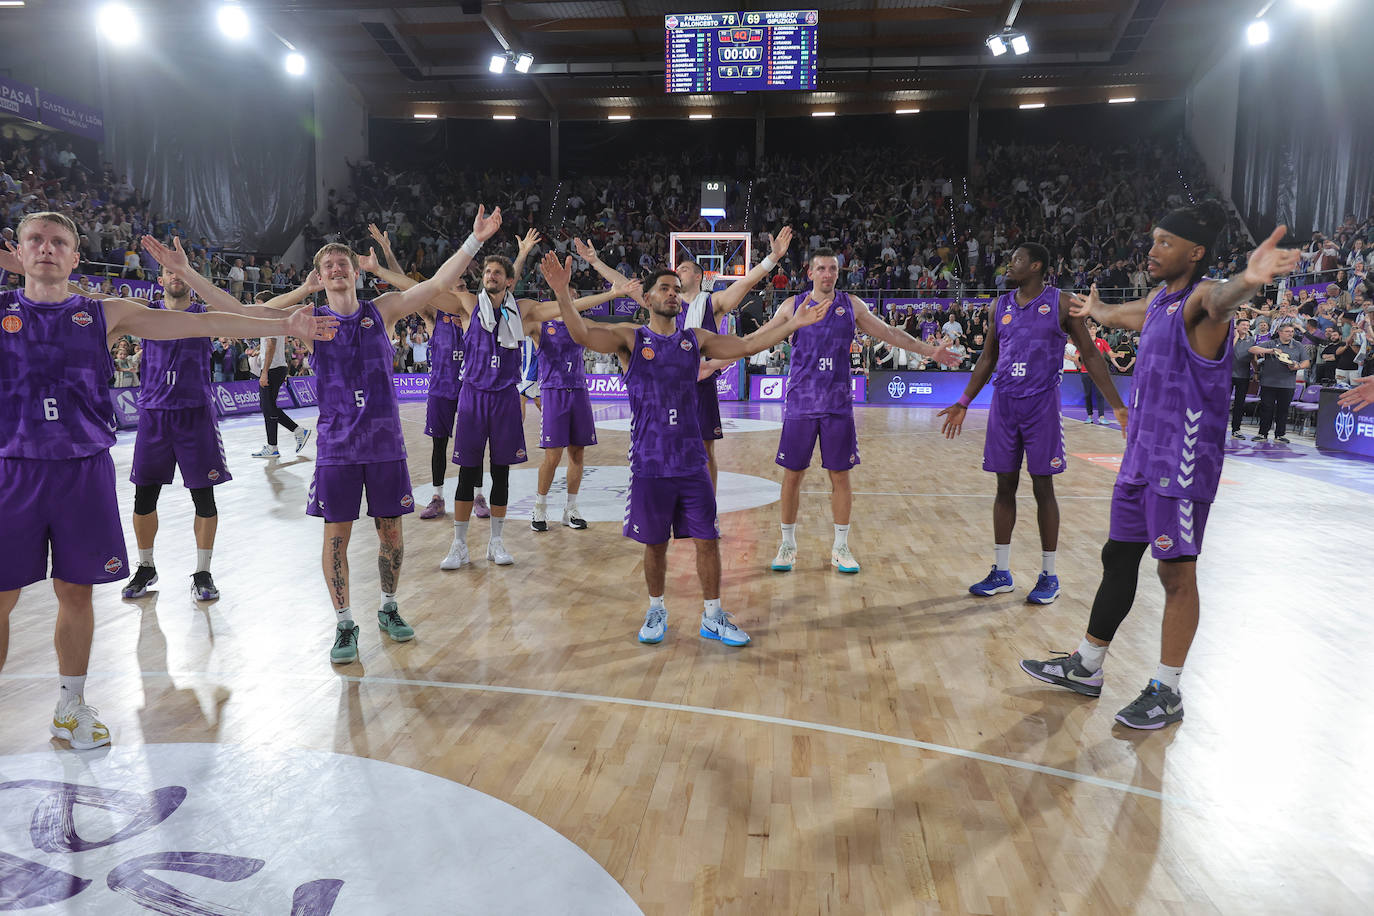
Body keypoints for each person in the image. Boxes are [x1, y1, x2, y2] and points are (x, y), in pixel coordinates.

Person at [0, 211, 336, 749]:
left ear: (74, 256)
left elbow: (206, 324)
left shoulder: (105, 314)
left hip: (81, 470)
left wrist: (283, 325)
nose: (46, 248)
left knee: (76, 593)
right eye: (35, 240)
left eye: (59, 241)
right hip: (11, 469)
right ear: (17, 253)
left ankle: (71, 705)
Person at [1020, 205, 1300, 730]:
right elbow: (1126, 316)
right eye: (1153, 240)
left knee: (1175, 574)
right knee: (1118, 557)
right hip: (1141, 459)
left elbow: (1219, 301)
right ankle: (1086, 665)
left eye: (1166, 242)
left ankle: (1167, 690)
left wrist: (1248, 280)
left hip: (1183, 463)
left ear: (1195, 252)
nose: (1153, 250)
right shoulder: (1158, 302)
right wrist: (1097, 311)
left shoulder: (1202, 298)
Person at [542, 252, 826, 647]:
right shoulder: (630, 337)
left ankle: (712, 615)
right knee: (654, 545)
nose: (673, 294)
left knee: (707, 540)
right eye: (665, 288)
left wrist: (793, 324)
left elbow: (745, 346)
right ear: (648, 299)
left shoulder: (695, 340)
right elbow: (582, 336)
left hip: (691, 461)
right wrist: (560, 291)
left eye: (677, 289)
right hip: (649, 463)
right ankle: (656, 607)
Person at [303, 205, 503, 664]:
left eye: (343, 263)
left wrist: (474, 242)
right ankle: (344, 623)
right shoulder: (309, 321)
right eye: (327, 266)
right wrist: (300, 292)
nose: (337, 269)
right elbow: (244, 313)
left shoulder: (383, 311)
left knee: (391, 536)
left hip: (384, 445)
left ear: (355, 271)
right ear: (319, 276)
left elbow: (434, 286)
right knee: (336, 538)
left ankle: (388, 607)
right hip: (337, 449)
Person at [365, 229, 622, 568]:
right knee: (468, 473)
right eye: (486, 272)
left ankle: (496, 542)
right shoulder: (467, 304)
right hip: (472, 396)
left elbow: (569, 306)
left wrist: (611, 295)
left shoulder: (525, 310)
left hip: (505, 399)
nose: (490, 276)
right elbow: (421, 291)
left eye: (496, 273)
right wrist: (379, 270)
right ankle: (459, 544)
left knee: (501, 474)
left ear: (509, 280)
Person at [748, 247, 959, 575]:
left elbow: (889, 333)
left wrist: (930, 350)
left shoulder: (851, 305)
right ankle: (787, 544)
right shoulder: (793, 306)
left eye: (832, 268)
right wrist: (717, 362)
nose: (828, 274)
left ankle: (840, 546)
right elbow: (759, 338)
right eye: (821, 269)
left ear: (838, 272)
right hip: (801, 404)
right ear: (810, 273)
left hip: (837, 405)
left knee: (841, 477)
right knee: (792, 477)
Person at [937, 243, 1126, 604]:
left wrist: (1117, 405)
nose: (1011, 264)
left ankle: (1049, 575)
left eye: (1018, 259)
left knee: (1044, 489)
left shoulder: (1061, 302)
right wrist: (963, 402)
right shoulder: (1000, 305)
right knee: (1003, 487)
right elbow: (988, 357)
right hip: (1004, 405)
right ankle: (1001, 571)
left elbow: (1089, 353)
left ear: (1037, 265)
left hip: (1042, 405)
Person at [575, 229, 797, 490]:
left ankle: (707, 506)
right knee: (662, 448)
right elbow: (626, 285)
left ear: (699, 276)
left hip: (699, 387)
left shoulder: (711, 302)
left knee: (704, 452)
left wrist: (772, 258)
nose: (677, 270)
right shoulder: (662, 302)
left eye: (683, 268)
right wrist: (594, 262)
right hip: (663, 388)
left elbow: (745, 283)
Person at [366, 223, 492, 522]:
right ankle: (437, 496)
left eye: (462, 283)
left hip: (469, 389)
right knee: (439, 445)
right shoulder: (434, 313)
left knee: (472, 445)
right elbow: (408, 287)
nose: (458, 286)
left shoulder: (470, 311)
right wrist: (387, 252)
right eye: (454, 283)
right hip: (440, 389)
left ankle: (477, 494)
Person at [1248, 322, 1308, 443]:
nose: (1290, 334)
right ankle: (1262, 434)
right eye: (1287, 331)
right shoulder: (1271, 343)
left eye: (1292, 331)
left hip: (1287, 384)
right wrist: (1270, 350)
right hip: (1268, 383)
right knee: (1266, 409)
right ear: (1280, 332)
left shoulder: (1298, 345)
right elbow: (1252, 349)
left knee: (1283, 410)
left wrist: (1298, 366)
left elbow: (1306, 362)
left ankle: (1280, 434)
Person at [1229, 317, 1256, 439]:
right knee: (1223, 403)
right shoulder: (1229, 338)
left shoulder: (1251, 340)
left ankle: (1236, 430)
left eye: (1247, 325)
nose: (1246, 327)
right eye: (1243, 325)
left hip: (1243, 375)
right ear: (1237, 327)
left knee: (1239, 404)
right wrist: (1235, 338)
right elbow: (1227, 352)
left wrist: (1257, 371)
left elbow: (1253, 358)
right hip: (1227, 375)